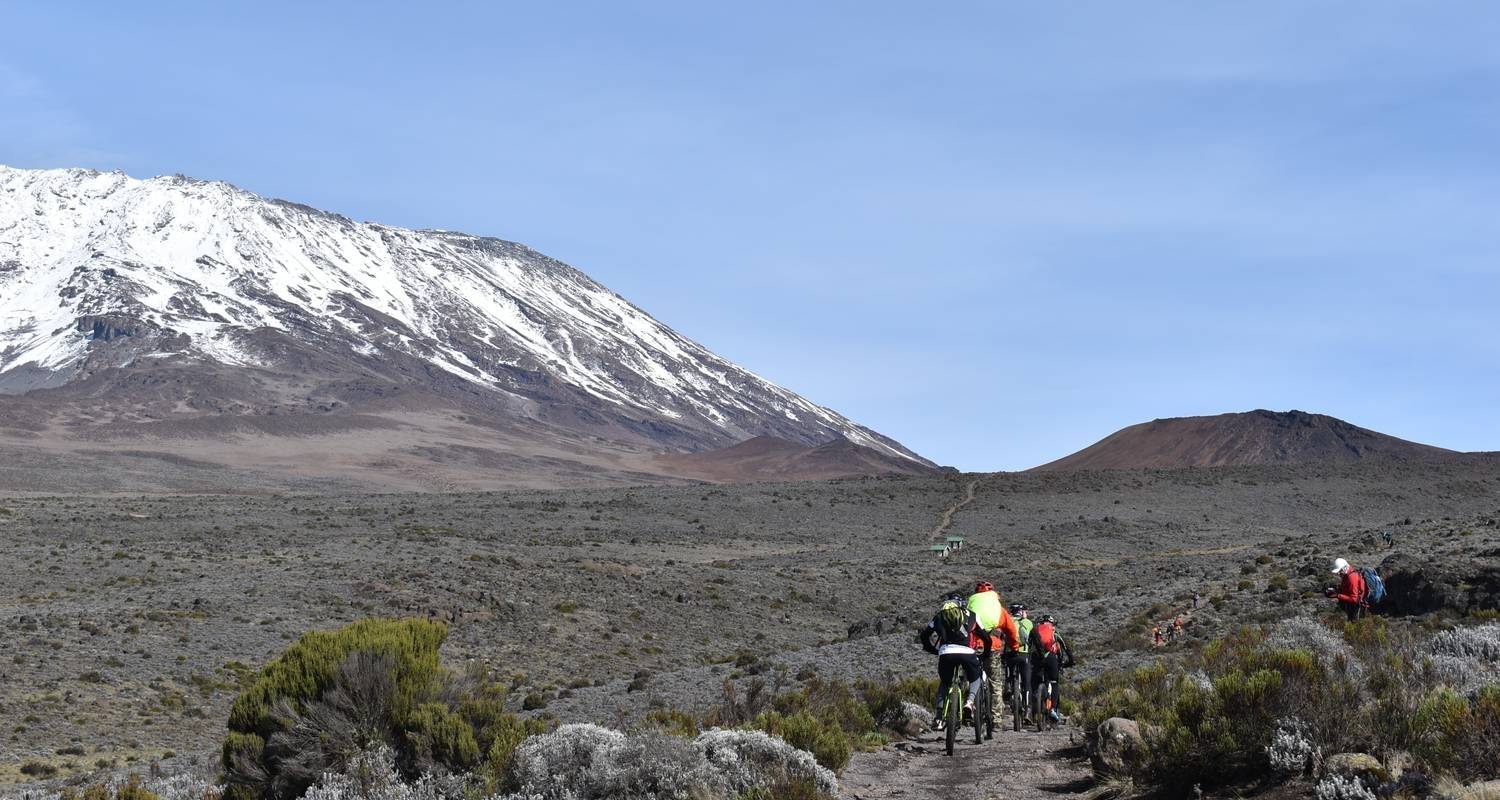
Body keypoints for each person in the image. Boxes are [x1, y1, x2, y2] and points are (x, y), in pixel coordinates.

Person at [919, 593, 991, 730]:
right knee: (976, 678)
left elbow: (924, 635)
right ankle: (969, 702)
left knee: (945, 682)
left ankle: (939, 717)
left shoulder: (940, 615)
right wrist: (985, 654)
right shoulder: (972, 615)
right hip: (967, 653)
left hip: (946, 653)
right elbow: (986, 638)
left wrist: (933, 650)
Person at [966, 581, 1021, 724]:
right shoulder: (999, 609)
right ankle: (996, 719)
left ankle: (967, 709)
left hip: (973, 647)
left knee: (969, 678)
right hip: (992, 647)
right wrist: (1015, 647)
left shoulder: (970, 606)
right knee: (995, 682)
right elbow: (1012, 631)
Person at [1029, 613, 1075, 723]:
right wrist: (1071, 661)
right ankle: (1053, 709)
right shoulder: (1054, 632)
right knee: (1054, 682)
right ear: (1052, 623)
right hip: (1051, 658)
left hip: (1037, 659)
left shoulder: (1036, 630)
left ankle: (1034, 707)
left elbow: (1029, 645)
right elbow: (1066, 647)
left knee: (1035, 682)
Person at [1003, 602, 1035, 721]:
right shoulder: (1028, 622)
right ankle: (1028, 710)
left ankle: (1008, 688)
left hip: (1009, 654)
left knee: (1008, 672)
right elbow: (1036, 640)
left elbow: (1001, 637)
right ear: (1021, 612)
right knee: (1027, 683)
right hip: (1024, 655)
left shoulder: (1007, 621)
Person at [1325, 557, 1367, 621]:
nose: (1338, 574)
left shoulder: (1351, 578)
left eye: (1339, 571)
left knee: (1354, 627)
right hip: (1351, 607)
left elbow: (1354, 599)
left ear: (1345, 568)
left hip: (1357, 608)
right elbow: (1346, 589)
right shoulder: (1346, 574)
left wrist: (1338, 595)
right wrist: (1335, 591)